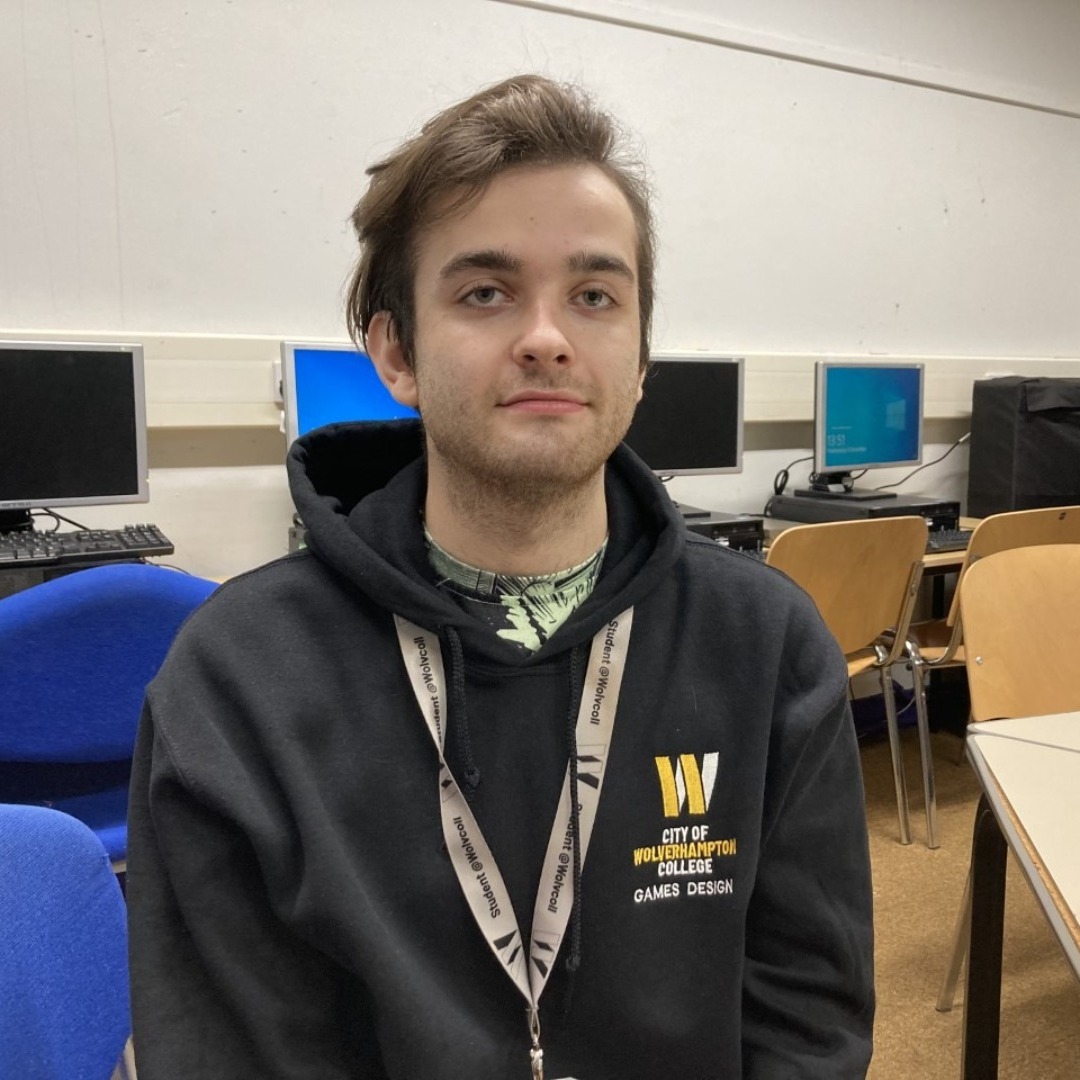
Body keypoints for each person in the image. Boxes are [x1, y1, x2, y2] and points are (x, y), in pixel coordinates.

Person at [127, 75, 874, 1079]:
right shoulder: (238, 682)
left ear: (641, 358)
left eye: (595, 296)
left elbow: (810, 1028)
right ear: (396, 351)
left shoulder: (765, 644)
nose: (546, 336)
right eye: (485, 292)